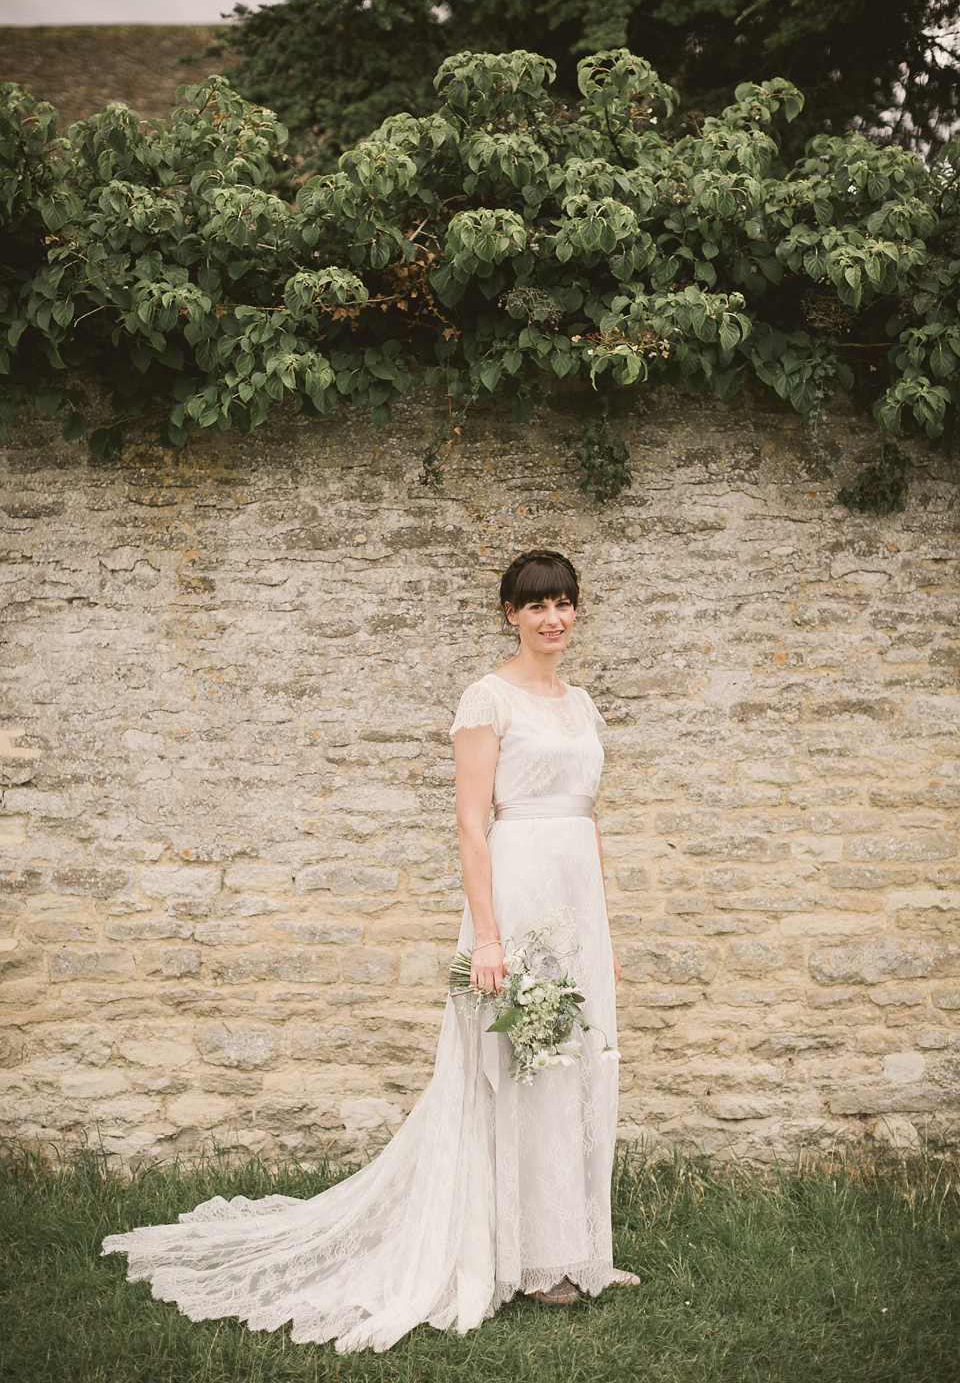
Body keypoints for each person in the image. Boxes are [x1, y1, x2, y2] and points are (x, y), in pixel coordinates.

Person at [102, 547, 638, 1352]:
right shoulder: (486, 699)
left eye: (565, 603)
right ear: (509, 615)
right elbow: (469, 821)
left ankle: (573, 1249)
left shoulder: (582, 702)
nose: (553, 618)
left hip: (576, 909)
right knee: (516, 1069)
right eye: (536, 606)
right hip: (517, 901)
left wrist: (605, 932)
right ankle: (512, 1254)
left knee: (572, 1067)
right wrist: (487, 936)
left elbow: (586, 818)